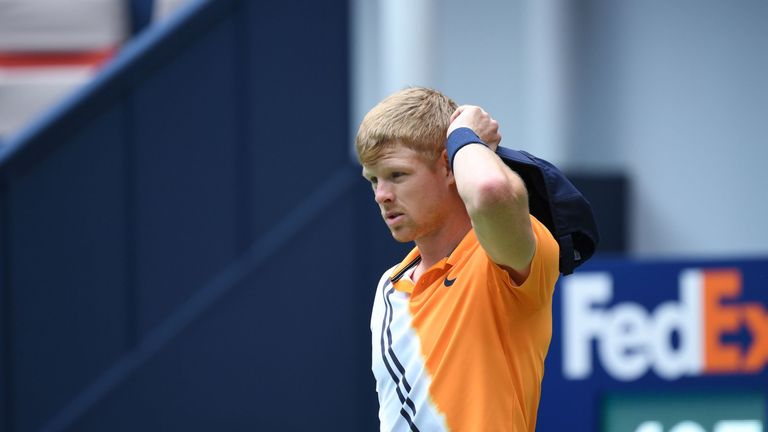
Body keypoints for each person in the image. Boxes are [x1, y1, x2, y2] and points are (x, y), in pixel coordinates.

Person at [355, 87, 560, 432]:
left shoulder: (503, 261)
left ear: (449, 167)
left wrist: (465, 136)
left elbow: (490, 192)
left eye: (397, 175)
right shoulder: (389, 287)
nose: (381, 195)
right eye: (373, 179)